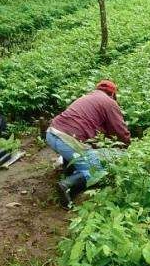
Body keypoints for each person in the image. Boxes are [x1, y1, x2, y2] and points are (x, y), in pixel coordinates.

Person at [45, 80, 131, 208]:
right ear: (113, 94)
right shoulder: (109, 103)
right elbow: (119, 130)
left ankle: (69, 172)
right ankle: (67, 185)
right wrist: (130, 147)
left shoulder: (87, 98)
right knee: (97, 171)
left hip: (51, 134)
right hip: (67, 139)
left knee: (83, 153)